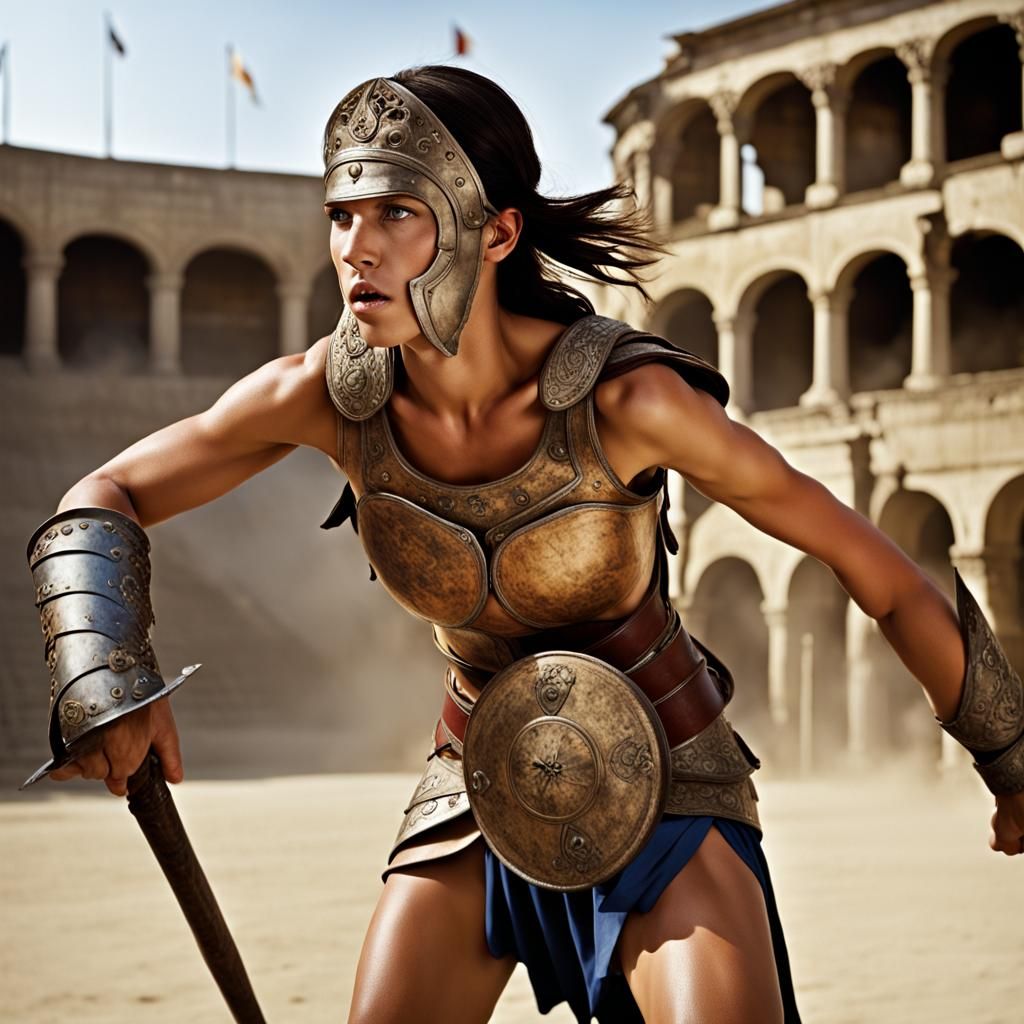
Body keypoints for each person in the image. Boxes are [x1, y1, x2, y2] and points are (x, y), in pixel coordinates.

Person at [25, 67, 1024, 1024]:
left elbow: (878, 573)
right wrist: (106, 678)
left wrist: (1010, 757)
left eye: (395, 213)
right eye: (341, 214)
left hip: (668, 773)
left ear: (497, 231)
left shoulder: (628, 401)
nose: (354, 248)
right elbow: (102, 495)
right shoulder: (328, 396)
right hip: (471, 777)